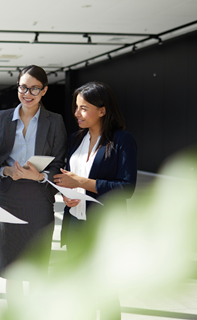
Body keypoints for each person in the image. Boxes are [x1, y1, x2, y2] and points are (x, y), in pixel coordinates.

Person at [54, 81, 138, 320]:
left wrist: (80, 183)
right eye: (76, 107)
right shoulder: (75, 140)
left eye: (83, 108)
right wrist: (67, 193)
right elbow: (69, 179)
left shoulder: (123, 140)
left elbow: (126, 187)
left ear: (102, 110)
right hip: (75, 225)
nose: (76, 113)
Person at [0, 65, 67, 303]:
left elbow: (60, 161)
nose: (27, 93)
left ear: (44, 91)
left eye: (34, 88)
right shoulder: (3, 118)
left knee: (37, 267)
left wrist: (39, 177)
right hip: (8, 198)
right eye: (23, 87)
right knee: (13, 269)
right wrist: (5, 170)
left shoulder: (55, 121)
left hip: (39, 200)